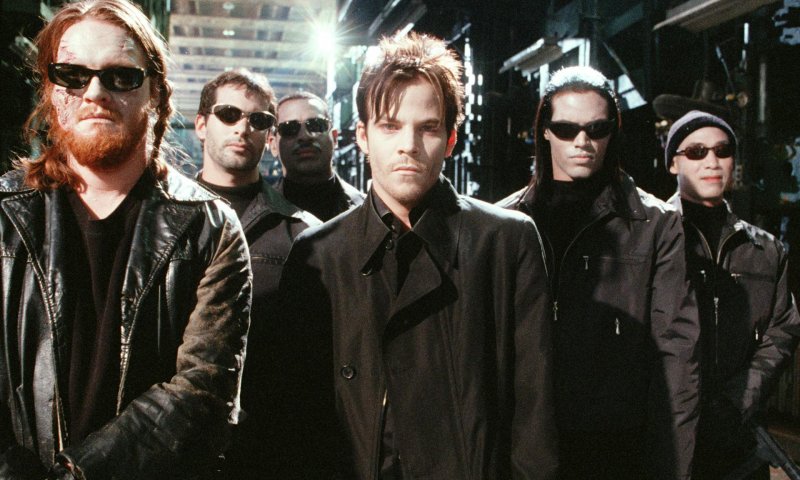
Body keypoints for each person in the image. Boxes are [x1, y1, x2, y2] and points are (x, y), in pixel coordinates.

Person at [281, 32, 558, 478]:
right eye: (390, 126)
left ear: (450, 139)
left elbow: (534, 413)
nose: (408, 145)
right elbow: (298, 421)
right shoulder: (317, 255)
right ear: (363, 136)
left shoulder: (505, 242)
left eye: (427, 127)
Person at [0, 0, 252, 478]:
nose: (94, 92)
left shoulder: (210, 227)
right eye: (73, 75)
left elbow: (202, 393)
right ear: (51, 90)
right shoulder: (4, 215)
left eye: (121, 76)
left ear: (155, 92)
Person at [498, 66, 699, 479]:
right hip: (522, 439)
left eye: (596, 128)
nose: (582, 141)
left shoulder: (655, 225)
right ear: (545, 131)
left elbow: (677, 357)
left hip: (615, 446)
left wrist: (671, 466)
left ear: (613, 131)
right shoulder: (504, 223)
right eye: (567, 128)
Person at [193, 69, 319, 478]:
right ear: (201, 125)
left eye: (258, 119)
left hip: (268, 449)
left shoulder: (304, 233)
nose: (242, 128)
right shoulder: (161, 220)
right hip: (177, 445)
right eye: (228, 114)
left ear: (269, 136)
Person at [665, 110, 800, 479]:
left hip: (738, 442)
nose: (712, 161)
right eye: (696, 152)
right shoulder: (650, 239)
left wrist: (738, 400)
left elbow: (782, 331)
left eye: (722, 151)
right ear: (674, 163)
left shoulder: (766, 250)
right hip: (664, 438)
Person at [271, 91, 364, 221]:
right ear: (273, 145)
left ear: (334, 138)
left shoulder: (368, 212)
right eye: (289, 128)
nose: (304, 136)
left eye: (316, 125)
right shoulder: (254, 219)